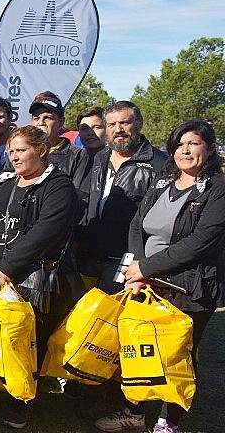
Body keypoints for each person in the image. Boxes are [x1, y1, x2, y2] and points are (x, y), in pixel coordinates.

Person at [94, 119, 225, 433]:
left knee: (180, 354)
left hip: (190, 286)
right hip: (148, 283)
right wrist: (137, 268)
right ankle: (134, 413)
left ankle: (169, 420)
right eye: (180, 144)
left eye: (193, 143)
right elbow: (137, 225)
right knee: (141, 347)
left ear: (209, 149)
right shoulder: (162, 181)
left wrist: (146, 269)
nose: (185, 150)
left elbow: (201, 241)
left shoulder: (218, 189)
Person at [0, 125, 80, 429]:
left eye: (22, 150)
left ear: (41, 150)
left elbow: (45, 232)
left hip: (36, 279)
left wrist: (9, 267)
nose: (15, 157)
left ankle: (24, 402)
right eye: (12, 151)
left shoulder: (58, 186)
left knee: (30, 344)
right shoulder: (2, 182)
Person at [77, 101, 167, 292]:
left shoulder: (161, 164)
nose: (118, 130)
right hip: (89, 255)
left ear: (139, 123)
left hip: (126, 258)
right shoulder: (98, 158)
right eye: (111, 125)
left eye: (124, 123)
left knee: (109, 316)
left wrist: (143, 261)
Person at [28, 91, 89, 190]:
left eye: (47, 117)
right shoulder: (21, 151)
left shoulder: (78, 156)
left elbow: (80, 194)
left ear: (61, 122)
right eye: (36, 118)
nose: (41, 123)